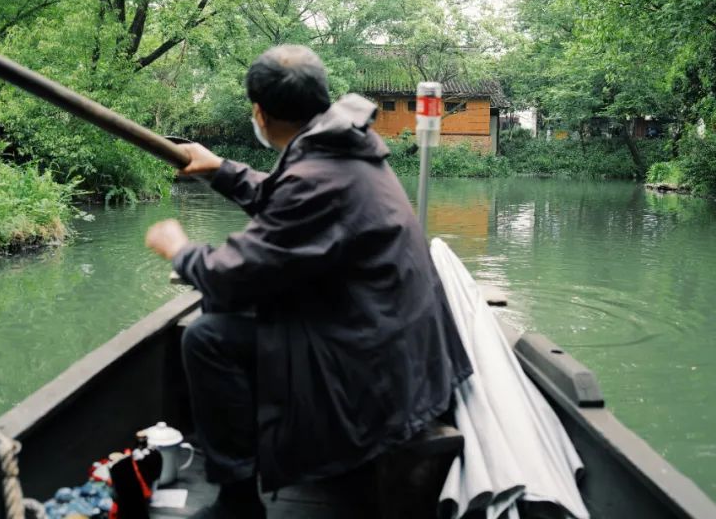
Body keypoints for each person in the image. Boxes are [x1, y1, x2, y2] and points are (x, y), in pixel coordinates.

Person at [144, 45, 472, 519]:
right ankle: (262, 455)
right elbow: (286, 199)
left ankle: (237, 503)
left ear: (259, 111)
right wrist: (221, 170)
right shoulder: (342, 151)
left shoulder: (320, 171)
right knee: (225, 317)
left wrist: (179, 247)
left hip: (375, 375)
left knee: (208, 337)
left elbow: (230, 276)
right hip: (391, 351)